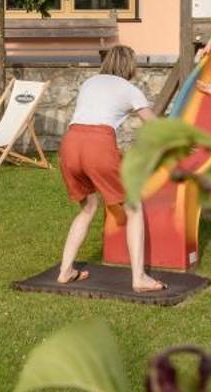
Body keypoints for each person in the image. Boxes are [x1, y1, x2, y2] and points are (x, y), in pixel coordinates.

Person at [55, 44, 164, 292]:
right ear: (130, 66)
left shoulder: (90, 82)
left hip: (71, 143)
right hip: (98, 144)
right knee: (133, 208)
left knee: (88, 207)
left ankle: (65, 271)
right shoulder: (130, 90)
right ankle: (139, 278)